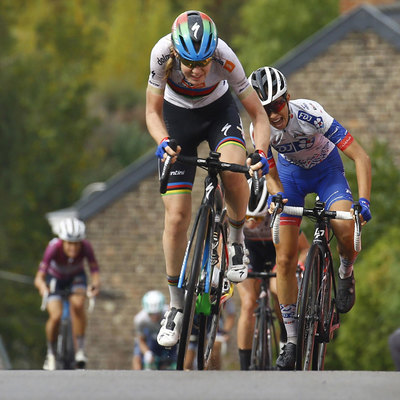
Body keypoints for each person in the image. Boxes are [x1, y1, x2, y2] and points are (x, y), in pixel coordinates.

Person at [146, 10, 281, 348]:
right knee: (176, 217)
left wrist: (261, 152)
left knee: (235, 172)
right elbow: (151, 111)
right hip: (177, 120)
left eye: (203, 63)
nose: (196, 70)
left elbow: (259, 116)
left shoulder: (225, 56)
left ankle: (235, 241)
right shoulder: (161, 53)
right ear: (176, 54)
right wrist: (163, 141)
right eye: (189, 64)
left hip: (217, 113)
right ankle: (176, 305)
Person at [248, 66, 372, 370]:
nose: (273, 114)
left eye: (277, 105)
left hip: (327, 173)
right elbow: (269, 170)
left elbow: (360, 156)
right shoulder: (260, 128)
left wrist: (364, 201)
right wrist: (276, 192)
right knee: (285, 259)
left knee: (345, 226)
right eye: (265, 109)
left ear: (287, 98)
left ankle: (345, 271)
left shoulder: (311, 114)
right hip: (291, 180)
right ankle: (290, 339)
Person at [237, 177, 310, 370]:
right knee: (248, 303)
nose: (252, 223)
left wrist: (296, 266)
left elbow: (305, 249)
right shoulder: (235, 212)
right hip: (249, 254)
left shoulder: (276, 214)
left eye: (258, 218)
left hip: (274, 252)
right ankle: (245, 367)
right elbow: (221, 246)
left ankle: (285, 340)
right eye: (248, 218)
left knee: (278, 288)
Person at [34, 217, 100, 371]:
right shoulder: (53, 248)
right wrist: (43, 287)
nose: (74, 248)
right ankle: (50, 353)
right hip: (55, 278)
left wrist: (95, 285)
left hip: (76, 277)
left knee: (78, 304)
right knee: (55, 316)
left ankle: (80, 350)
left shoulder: (86, 247)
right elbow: (39, 277)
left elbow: (94, 271)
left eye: (77, 243)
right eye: (69, 243)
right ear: (62, 241)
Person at [183, 298, 236, 370]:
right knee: (187, 363)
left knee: (214, 351)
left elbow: (231, 315)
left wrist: (225, 332)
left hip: (213, 323)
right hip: (193, 325)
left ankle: (214, 374)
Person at [132, 290, 177, 370]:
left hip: (167, 338)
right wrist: (147, 353)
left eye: (157, 314)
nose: (154, 317)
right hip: (150, 340)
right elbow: (141, 340)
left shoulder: (169, 314)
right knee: (137, 357)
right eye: (151, 314)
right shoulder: (140, 319)